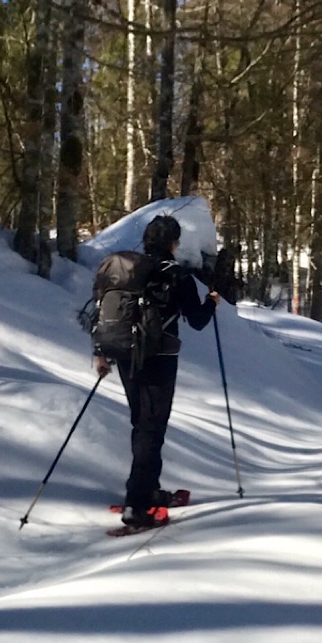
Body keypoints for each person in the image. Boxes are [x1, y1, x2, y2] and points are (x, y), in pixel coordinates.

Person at [94, 215, 220, 528]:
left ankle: (147, 491)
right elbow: (198, 320)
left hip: (125, 355)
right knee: (152, 427)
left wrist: (101, 353)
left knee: (143, 422)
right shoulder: (175, 275)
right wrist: (212, 303)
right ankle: (137, 504)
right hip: (159, 358)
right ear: (174, 243)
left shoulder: (129, 271)